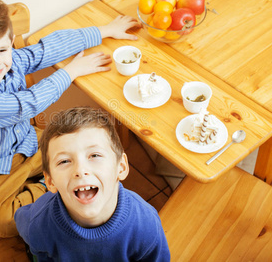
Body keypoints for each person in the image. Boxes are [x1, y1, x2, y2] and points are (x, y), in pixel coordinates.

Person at [0, 0, 141, 237]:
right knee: (3, 222)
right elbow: (27, 104)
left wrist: (105, 30)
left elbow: (47, 49)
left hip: (32, 143)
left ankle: (55, 192)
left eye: (2, 49)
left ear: (9, 43)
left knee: (87, 155)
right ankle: (54, 190)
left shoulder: (11, 60)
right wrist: (71, 71)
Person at [15, 107, 170, 261]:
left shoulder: (146, 225)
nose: (80, 170)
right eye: (64, 161)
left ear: (121, 167)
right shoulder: (39, 223)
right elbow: (22, 222)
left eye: (94, 155)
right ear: (50, 181)